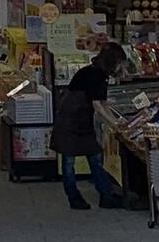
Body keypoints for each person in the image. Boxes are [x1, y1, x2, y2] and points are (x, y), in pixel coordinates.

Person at [52, 41, 129, 211]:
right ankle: (81, 197)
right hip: (72, 121)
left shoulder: (96, 73)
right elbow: (98, 105)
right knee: (75, 160)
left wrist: (115, 120)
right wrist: (114, 122)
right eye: (119, 64)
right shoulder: (97, 75)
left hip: (76, 119)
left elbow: (102, 102)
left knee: (89, 157)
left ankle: (104, 194)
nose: (120, 68)